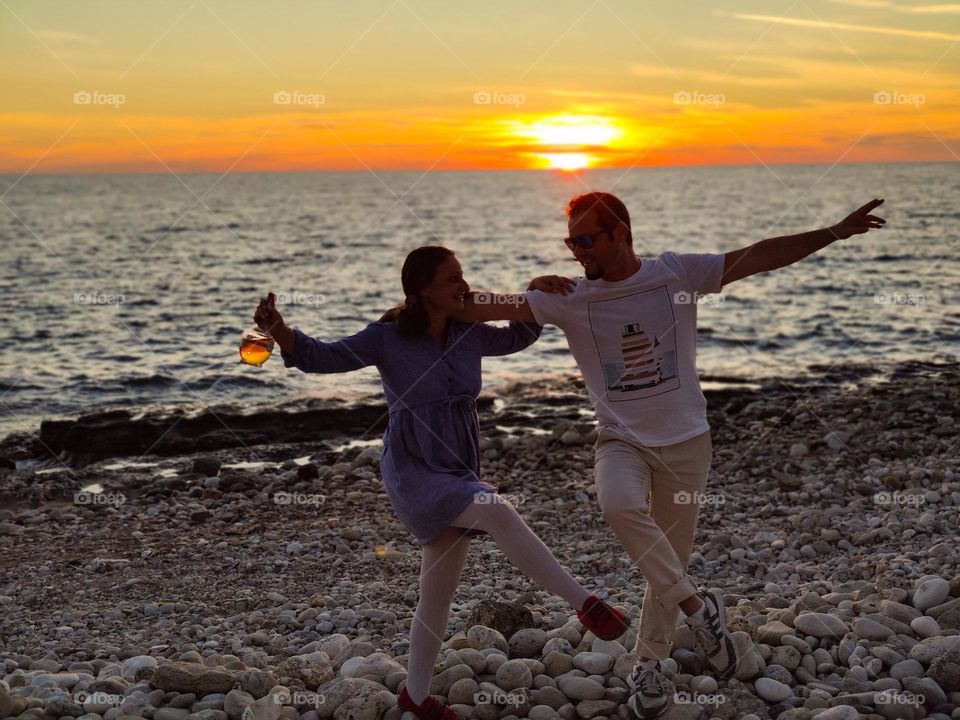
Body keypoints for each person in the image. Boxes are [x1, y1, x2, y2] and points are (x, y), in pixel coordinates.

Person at [453, 192, 886, 718]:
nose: (577, 251)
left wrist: (835, 231)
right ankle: (701, 611)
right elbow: (478, 306)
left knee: (667, 565)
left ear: (621, 234)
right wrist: (412, 307)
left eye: (587, 239)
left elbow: (759, 254)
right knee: (617, 505)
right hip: (621, 440)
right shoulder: (568, 296)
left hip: (687, 444)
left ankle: (648, 668)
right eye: (571, 241)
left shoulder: (675, 275)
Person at [253, 245, 631, 720]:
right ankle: (586, 603)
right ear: (422, 289)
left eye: (462, 275)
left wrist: (534, 289)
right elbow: (323, 357)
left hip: (456, 462)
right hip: (413, 467)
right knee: (493, 507)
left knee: (437, 591)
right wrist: (280, 330)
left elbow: (518, 337)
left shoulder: (466, 331)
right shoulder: (387, 337)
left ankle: (415, 695)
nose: (463, 285)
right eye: (452, 278)